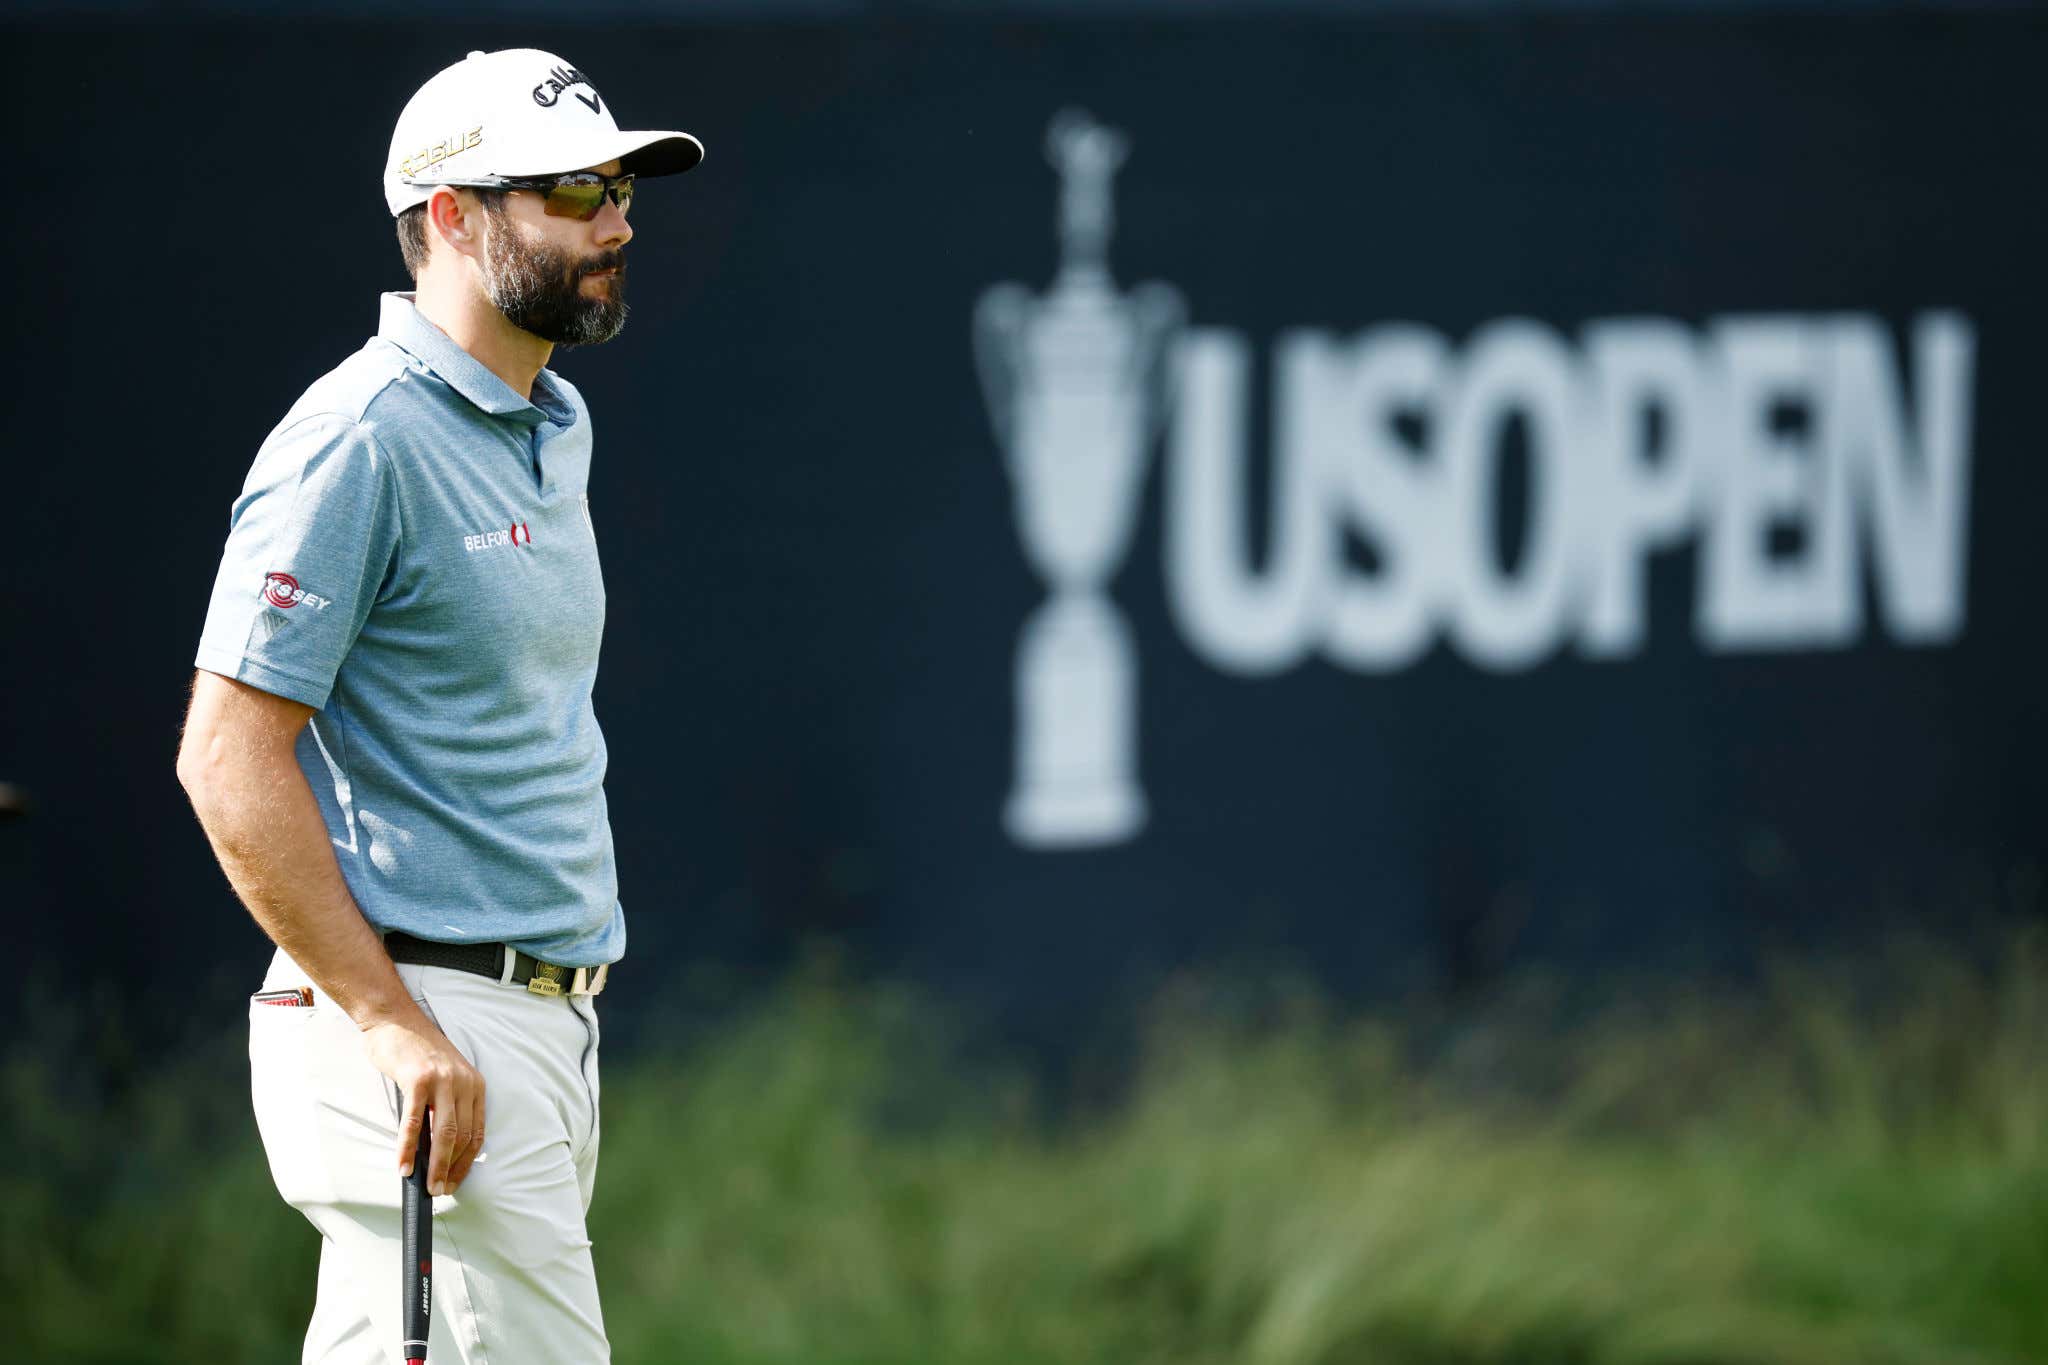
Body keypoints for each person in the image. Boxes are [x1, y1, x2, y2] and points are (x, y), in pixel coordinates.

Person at [175, 48, 701, 1363]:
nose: (618, 221)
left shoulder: (547, 419)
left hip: (531, 1029)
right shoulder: (359, 437)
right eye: (575, 191)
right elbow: (229, 759)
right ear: (454, 216)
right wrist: (395, 1025)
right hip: (423, 1024)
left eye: (621, 189)